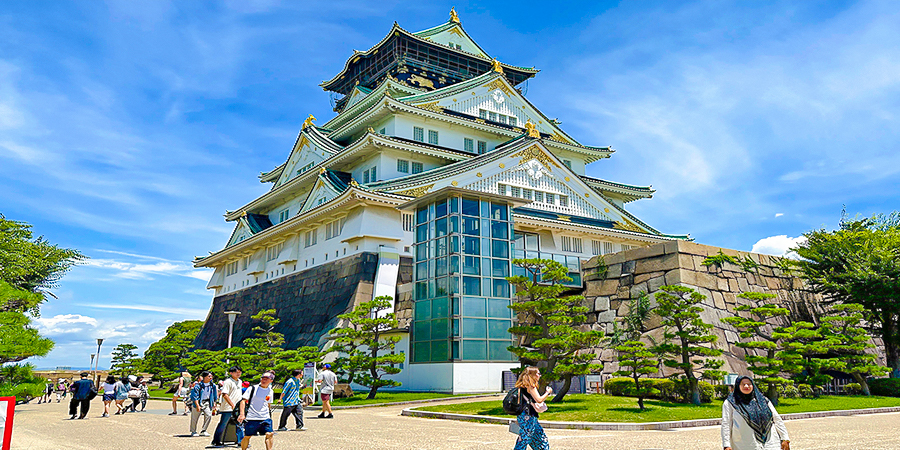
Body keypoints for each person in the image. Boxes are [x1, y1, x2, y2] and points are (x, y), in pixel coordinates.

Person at [722, 376, 790, 450]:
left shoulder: (764, 401)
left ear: (753, 385)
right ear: (738, 386)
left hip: (770, 442)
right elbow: (726, 424)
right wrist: (726, 444)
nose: (746, 386)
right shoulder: (731, 403)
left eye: (749, 384)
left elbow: (777, 419)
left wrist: (785, 438)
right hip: (744, 444)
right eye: (743, 384)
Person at [513, 366, 552, 450]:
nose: (540, 375)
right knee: (524, 439)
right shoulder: (531, 386)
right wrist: (548, 393)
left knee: (539, 438)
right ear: (532, 375)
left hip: (524, 416)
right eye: (538, 373)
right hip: (529, 417)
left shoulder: (522, 386)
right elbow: (539, 400)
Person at [238, 371, 276, 450]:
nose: (264, 380)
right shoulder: (252, 388)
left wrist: (269, 413)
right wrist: (242, 414)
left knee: (270, 434)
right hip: (252, 417)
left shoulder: (270, 391)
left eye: (266, 379)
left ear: (271, 380)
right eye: (262, 378)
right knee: (247, 436)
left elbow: (268, 403)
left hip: (265, 417)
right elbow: (243, 401)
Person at [211, 366, 243, 448]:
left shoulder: (239, 381)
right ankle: (216, 441)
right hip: (228, 407)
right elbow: (225, 394)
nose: (238, 373)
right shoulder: (228, 382)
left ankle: (240, 441)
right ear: (231, 373)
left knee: (239, 423)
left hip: (237, 406)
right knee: (223, 423)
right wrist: (232, 404)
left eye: (240, 372)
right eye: (236, 372)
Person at [189, 371, 217, 437]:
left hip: (207, 402)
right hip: (199, 402)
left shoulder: (212, 385)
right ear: (204, 377)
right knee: (194, 417)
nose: (211, 378)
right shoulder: (198, 386)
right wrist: (197, 405)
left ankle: (203, 430)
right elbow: (195, 396)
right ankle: (193, 431)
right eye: (209, 376)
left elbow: (214, 395)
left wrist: (214, 403)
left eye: (211, 376)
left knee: (209, 415)